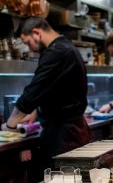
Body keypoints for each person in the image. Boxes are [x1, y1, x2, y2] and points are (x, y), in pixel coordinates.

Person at [1, 17, 91, 182]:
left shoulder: (57, 52)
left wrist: (10, 125)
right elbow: (52, 88)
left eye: (28, 43)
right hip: (68, 130)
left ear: (36, 32)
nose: (31, 49)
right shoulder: (64, 47)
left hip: (65, 135)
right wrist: (35, 112)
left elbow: (34, 91)